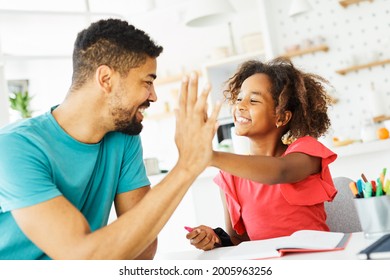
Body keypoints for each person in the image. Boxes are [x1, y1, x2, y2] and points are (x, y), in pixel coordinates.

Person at [0, 18, 220, 259]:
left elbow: (143, 251)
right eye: (147, 82)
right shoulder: (14, 147)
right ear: (105, 79)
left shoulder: (123, 138)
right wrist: (186, 167)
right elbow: (81, 256)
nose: (154, 96)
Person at [186, 57, 338, 251]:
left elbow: (279, 172)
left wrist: (212, 157)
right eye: (239, 98)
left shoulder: (306, 152)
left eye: (254, 100)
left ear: (281, 116)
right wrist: (214, 238)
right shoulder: (229, 176)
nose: (240, 106)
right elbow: (239, 240)